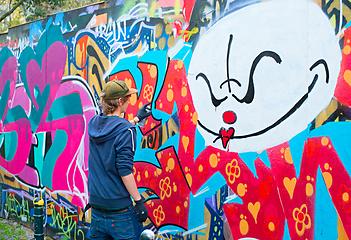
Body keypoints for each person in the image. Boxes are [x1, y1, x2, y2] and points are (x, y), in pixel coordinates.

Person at [88, 80, 151, 240]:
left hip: (96, 207)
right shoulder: (126, 131)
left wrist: (136, 119)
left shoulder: (94, 124)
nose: (130, 100)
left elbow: (113, 132)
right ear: (120, 101)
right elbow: (124, 171)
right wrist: (139, 202)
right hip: (120, 212)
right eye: (128, 97)